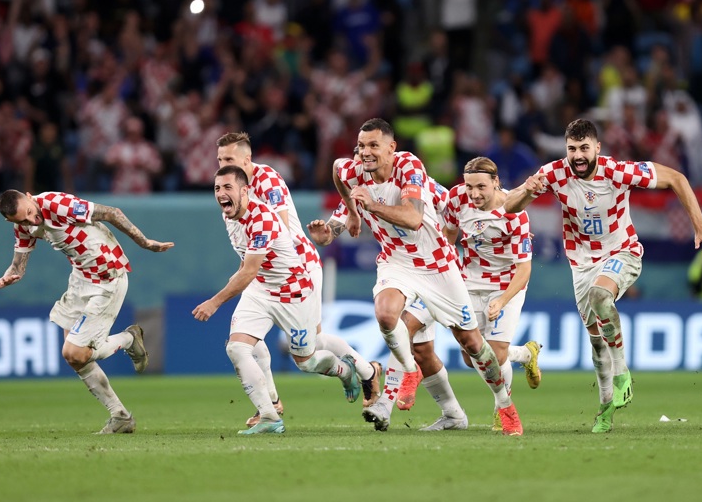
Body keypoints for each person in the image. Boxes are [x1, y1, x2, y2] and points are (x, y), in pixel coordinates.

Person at [503, 119, 702, 433]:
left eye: (584, 149)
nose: (577, 155)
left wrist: (698, 224)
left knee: (600, 296)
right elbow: (509, 206)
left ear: (597, 148)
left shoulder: (617, 171)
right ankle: (606, 407)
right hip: (581, 264)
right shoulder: (553, 173)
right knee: (595, 340)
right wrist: (526, 193)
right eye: (572, 149)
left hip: (623, 251)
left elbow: (676, 178)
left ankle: (623, 374)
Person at [329, 118, 524, 435]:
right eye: (361, 146)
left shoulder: (413, 171)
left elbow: (413, 218)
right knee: (389, 317)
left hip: (438, 266)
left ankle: (505, 405)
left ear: (392, 148)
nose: (365, 152)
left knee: (472, 344)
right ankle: (416, 385)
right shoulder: (353, 171)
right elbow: (338, 170)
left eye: (373, 145)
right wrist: (350, 211)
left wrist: (370, 206)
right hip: (397, 261)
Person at [215, 132, 381, 428]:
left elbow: (280, 225)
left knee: (311, 347)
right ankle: (271, 403)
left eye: (229, 159)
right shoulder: (229, 192)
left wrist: (255, 265)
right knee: (246, 343)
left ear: (246, 159)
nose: (224, 164)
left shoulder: (267, 180)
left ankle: (365, 372)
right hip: (265, 272)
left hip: (297, 269)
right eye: (220, 160)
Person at [193, 166, 363, 435]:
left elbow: (249, 270)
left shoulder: (263, 218)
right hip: (260, 291)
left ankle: (344, 370)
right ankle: (270, 415)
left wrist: (215, 301)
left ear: (245, 191)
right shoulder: (229, 216)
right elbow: (246, 262)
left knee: (305, 362)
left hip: (292, 293)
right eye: (217, 188)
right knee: (237, 348)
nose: (221, 194)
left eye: (227, 188)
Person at [0, 190, 174, 434]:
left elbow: (111, 213)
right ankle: (120, 416)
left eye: (30, 213)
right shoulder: (23, 225)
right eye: (22, 220)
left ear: (29, 196)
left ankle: (128, 339)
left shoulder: (58, 205)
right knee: (74, 356)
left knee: (75, 352)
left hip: (108, 277)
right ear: (11, 221)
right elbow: (18, 264)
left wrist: (145, 243)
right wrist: (10, 276)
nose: (31, 221)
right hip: (81, 278)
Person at [442, 157, 543, 431]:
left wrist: (502, 300)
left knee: (495, 355)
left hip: (506, 284)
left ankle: (502, 407)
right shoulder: (456, 200)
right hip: (468, 283)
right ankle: (525, 355)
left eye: (481, 187)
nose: (474, 193)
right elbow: (448, 234)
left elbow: (524, 269)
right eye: (469, 186)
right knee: (470, 355)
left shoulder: (515, 213)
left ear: (496, 183)